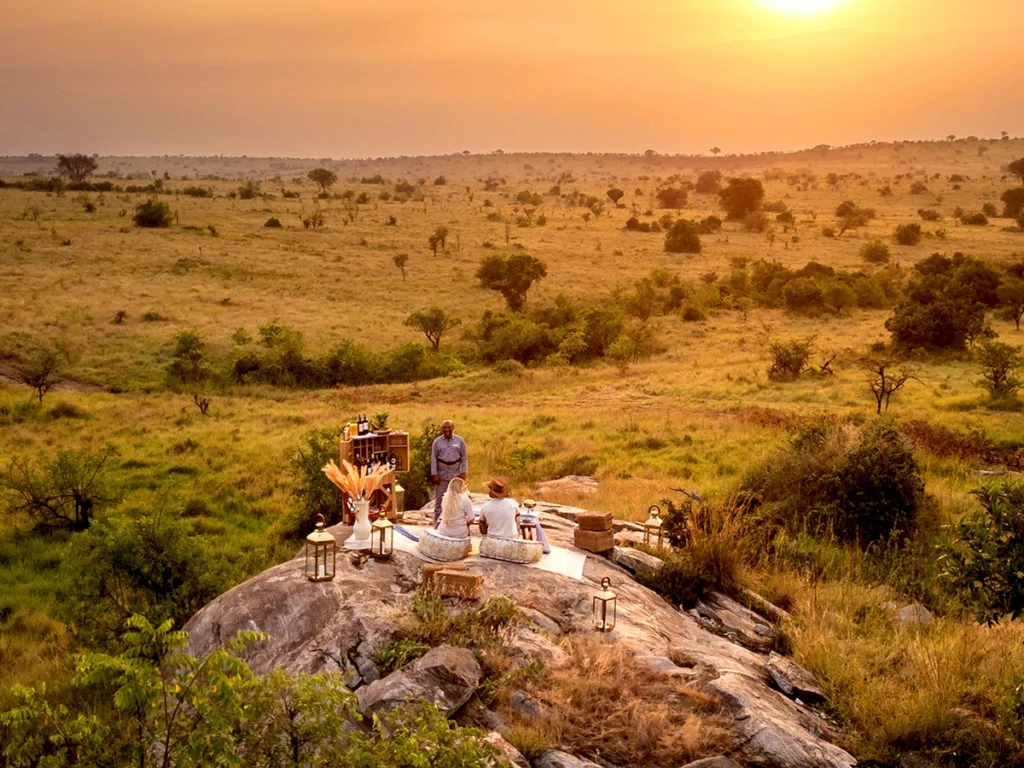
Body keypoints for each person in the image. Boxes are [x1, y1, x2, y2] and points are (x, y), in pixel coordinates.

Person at [431, 420, 467, 522]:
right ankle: (438, 523)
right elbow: (433, 458)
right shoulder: (437, 442)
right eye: (444, 428)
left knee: (456, 498)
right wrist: (434, 474)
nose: (446, 430)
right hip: (441, 474)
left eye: (449, 427)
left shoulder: (460, 441)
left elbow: (464, 458)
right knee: (440, 500)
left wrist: (463, 472)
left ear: (453, 427)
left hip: (455, 474)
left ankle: (454, 521)